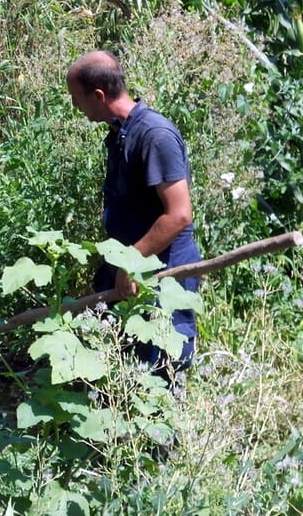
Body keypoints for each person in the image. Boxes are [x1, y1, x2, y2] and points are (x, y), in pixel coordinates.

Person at [65, 50, 201, 378]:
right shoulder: (121, 132)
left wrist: (132, 262)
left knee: (163, 367)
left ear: (98, 95)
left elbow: (179, 214)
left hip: (162, 273)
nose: (75, 107)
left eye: (76, 98)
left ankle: (166, 430)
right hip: (130, 269)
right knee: (123, 367)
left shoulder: (155, 136)